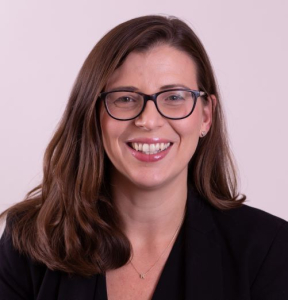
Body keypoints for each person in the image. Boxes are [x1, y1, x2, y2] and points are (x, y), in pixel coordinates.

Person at [0, 15, 288, 300]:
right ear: (93, 114)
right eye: (125, 98)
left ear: (206, 116)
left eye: (174, 97)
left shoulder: (268, 248)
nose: (148, 120)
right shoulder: (29, 240)